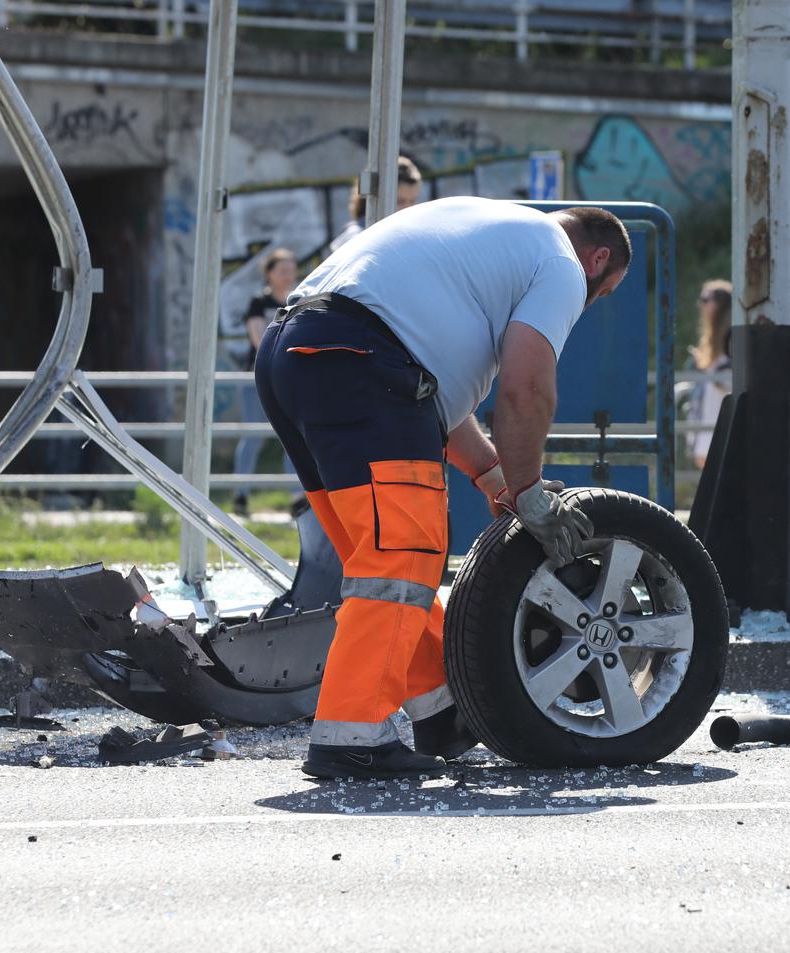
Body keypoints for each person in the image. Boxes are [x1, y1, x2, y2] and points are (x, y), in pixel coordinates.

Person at [255, 198, 631, 779]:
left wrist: (491, 475)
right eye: (601, 293)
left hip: (297, 355)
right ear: (598, 259)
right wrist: (530, 491)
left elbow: (431, 391)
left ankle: (439, 708)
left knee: (388, 563)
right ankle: (351, 736)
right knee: (402, 555)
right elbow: (526, 390)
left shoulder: (484, 231)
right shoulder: (559, 261)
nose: (589, 303)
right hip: (359, 362)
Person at [232, 249, 298, 514]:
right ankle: (241, 494)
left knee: (293, 437)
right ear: (269, 273)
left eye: (291, 269)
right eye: (282, 270)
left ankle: (298, 498)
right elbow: (259, 340)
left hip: (290, 378)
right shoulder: (258, 303)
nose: (288, 275)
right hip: (258, 377)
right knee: (253, 436)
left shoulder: (299, 300)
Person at [328, 155, 423, 254]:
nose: (408, 208)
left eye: (412, 201)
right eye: (399, 201)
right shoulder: (356, 236)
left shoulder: (409, 236)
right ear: (378, 197)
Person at [686, 279, 732, 468]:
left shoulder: (732, 344)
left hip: (718, 435)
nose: (701, 305)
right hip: (705, 436)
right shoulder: (710, 347)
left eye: (707, 299)